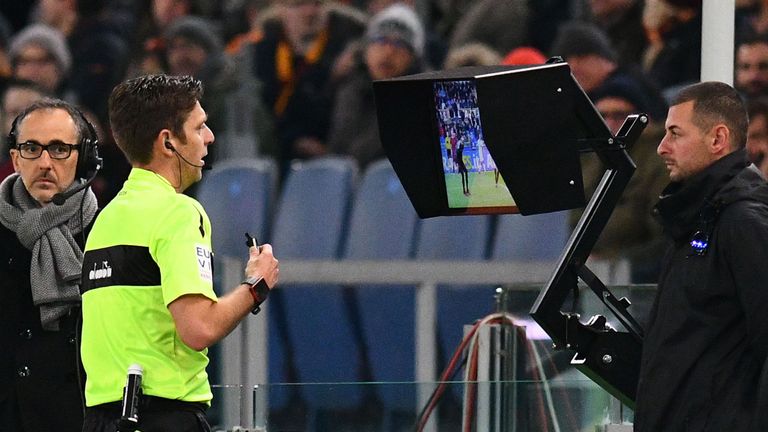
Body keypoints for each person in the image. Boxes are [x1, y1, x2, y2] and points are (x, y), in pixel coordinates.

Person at [79, 74, 279, 431]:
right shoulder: (178, 212)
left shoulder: (104, 219)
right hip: (162, 417)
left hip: (100, 419)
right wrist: (256, 285)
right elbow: (198, 327)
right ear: (168, 142)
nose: (210, 137)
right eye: (199, 127)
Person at [634, 81, 768, 431]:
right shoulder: (695, 219)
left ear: (717, 139)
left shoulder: (742, 222)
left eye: (675, 133)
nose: (662, 147)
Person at [0, 98, 101, 432]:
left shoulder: (105, 232)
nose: (44, 162)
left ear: (82, 158)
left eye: (59, 149)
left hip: (81, 414)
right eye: (32, 148)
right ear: (15, 158)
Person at [327, 3, 426, 169]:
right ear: (366, 49)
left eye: (400, 44)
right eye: (381, 40)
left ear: (414, 57)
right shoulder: (347, 89)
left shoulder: (424, 99)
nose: (388, 52)